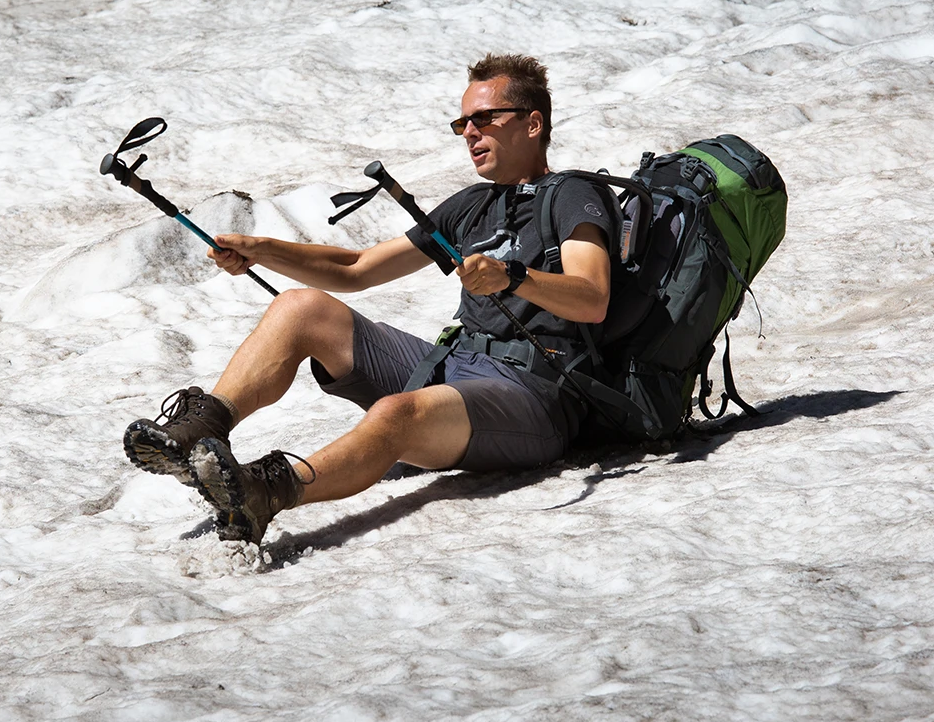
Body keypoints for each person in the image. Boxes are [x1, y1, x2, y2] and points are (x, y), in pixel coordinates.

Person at [123, 54, 617, 544]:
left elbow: (592, 297)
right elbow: (355, 269)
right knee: (301, 308)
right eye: (462, 121)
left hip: (537, 394)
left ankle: (263, 493)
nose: (469, 132)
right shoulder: (474, 205)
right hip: (459, 366)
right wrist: (261, 251)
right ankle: (196, 434)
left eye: (484, 118)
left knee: (397, 413)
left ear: (532, 124)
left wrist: (512, 276)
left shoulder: (572, 195)